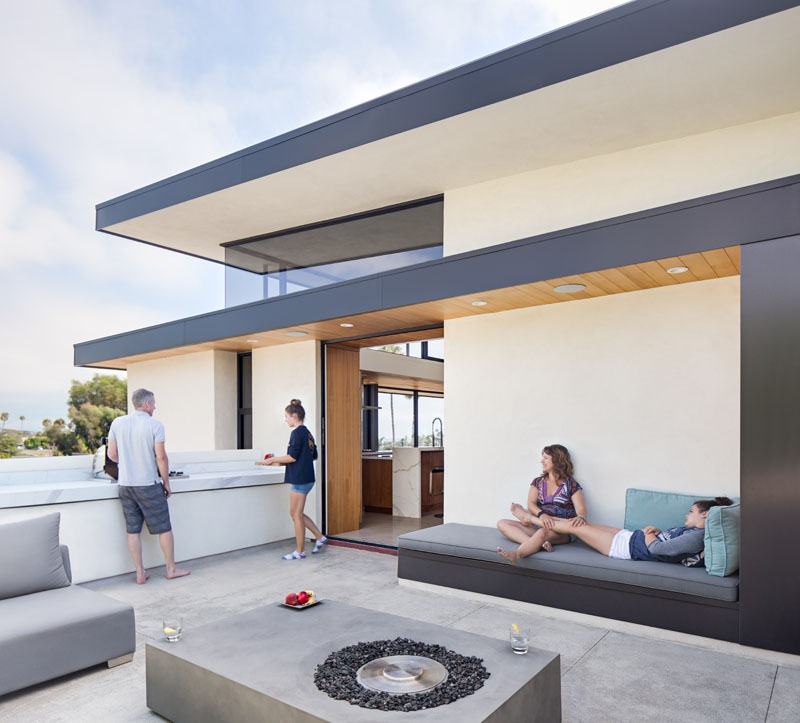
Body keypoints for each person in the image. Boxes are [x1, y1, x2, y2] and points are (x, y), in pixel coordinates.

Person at [107, 388, 190, 584]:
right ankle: (171, 569)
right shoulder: (155, 425)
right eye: (153, 403)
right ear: (147, 404)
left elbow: (112, 454)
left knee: (133, 530)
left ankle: (140, 573)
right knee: (164, 528)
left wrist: (128, 464)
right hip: (148, 484)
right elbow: (161, 457)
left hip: (126, 485)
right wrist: (166, 482)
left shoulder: (117, 423)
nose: (155, 407)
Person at [511, 496, 733, 565]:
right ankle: (532, 522)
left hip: (624, 549)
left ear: (705, 515)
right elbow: (664, 538)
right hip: (629, 537)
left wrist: (650, 535)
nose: (687, 514)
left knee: (573, 527)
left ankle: (529, 517)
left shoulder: (696, 539)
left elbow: (658, 549)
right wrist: (654, 530)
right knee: (577, 523)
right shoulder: (689, 531)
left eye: (692, 511)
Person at [257, 399, 326, 560]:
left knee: (295, 514)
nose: (285, 419)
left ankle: (300, 551)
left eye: (286, 416)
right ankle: (320, 537)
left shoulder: (296, 433)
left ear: (294, 416)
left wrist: (271, 460)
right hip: (306, 477)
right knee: (296, 513)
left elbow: (292, 456)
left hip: (301, 479)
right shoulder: (307, 433)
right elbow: (313, 455)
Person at [497, 444, 588, 563]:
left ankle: (517, 554)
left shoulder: (572, 485)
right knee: (502, 523)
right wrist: (542, 515)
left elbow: (581, 509)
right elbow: (530, 504)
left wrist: (581, 517)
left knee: (542, 533)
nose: (542, 461)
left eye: (545, 458)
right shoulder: (537, 482)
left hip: (561, 530)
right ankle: (539, 544)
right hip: (539, 523)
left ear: (556, 459)